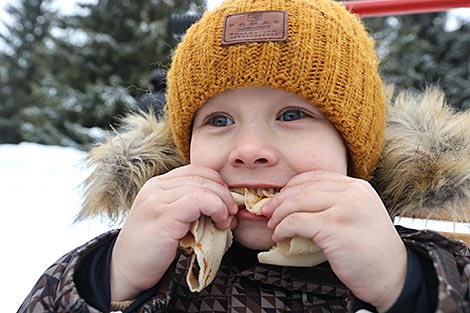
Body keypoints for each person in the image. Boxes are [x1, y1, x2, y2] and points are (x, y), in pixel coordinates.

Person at [18, 0, 470, 312]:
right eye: (218, 121)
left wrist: (406, 286)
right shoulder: (152, 259)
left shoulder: (423, 265)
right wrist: (109, 277)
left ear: (354, 146)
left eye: (292, 114)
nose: (249, 151)